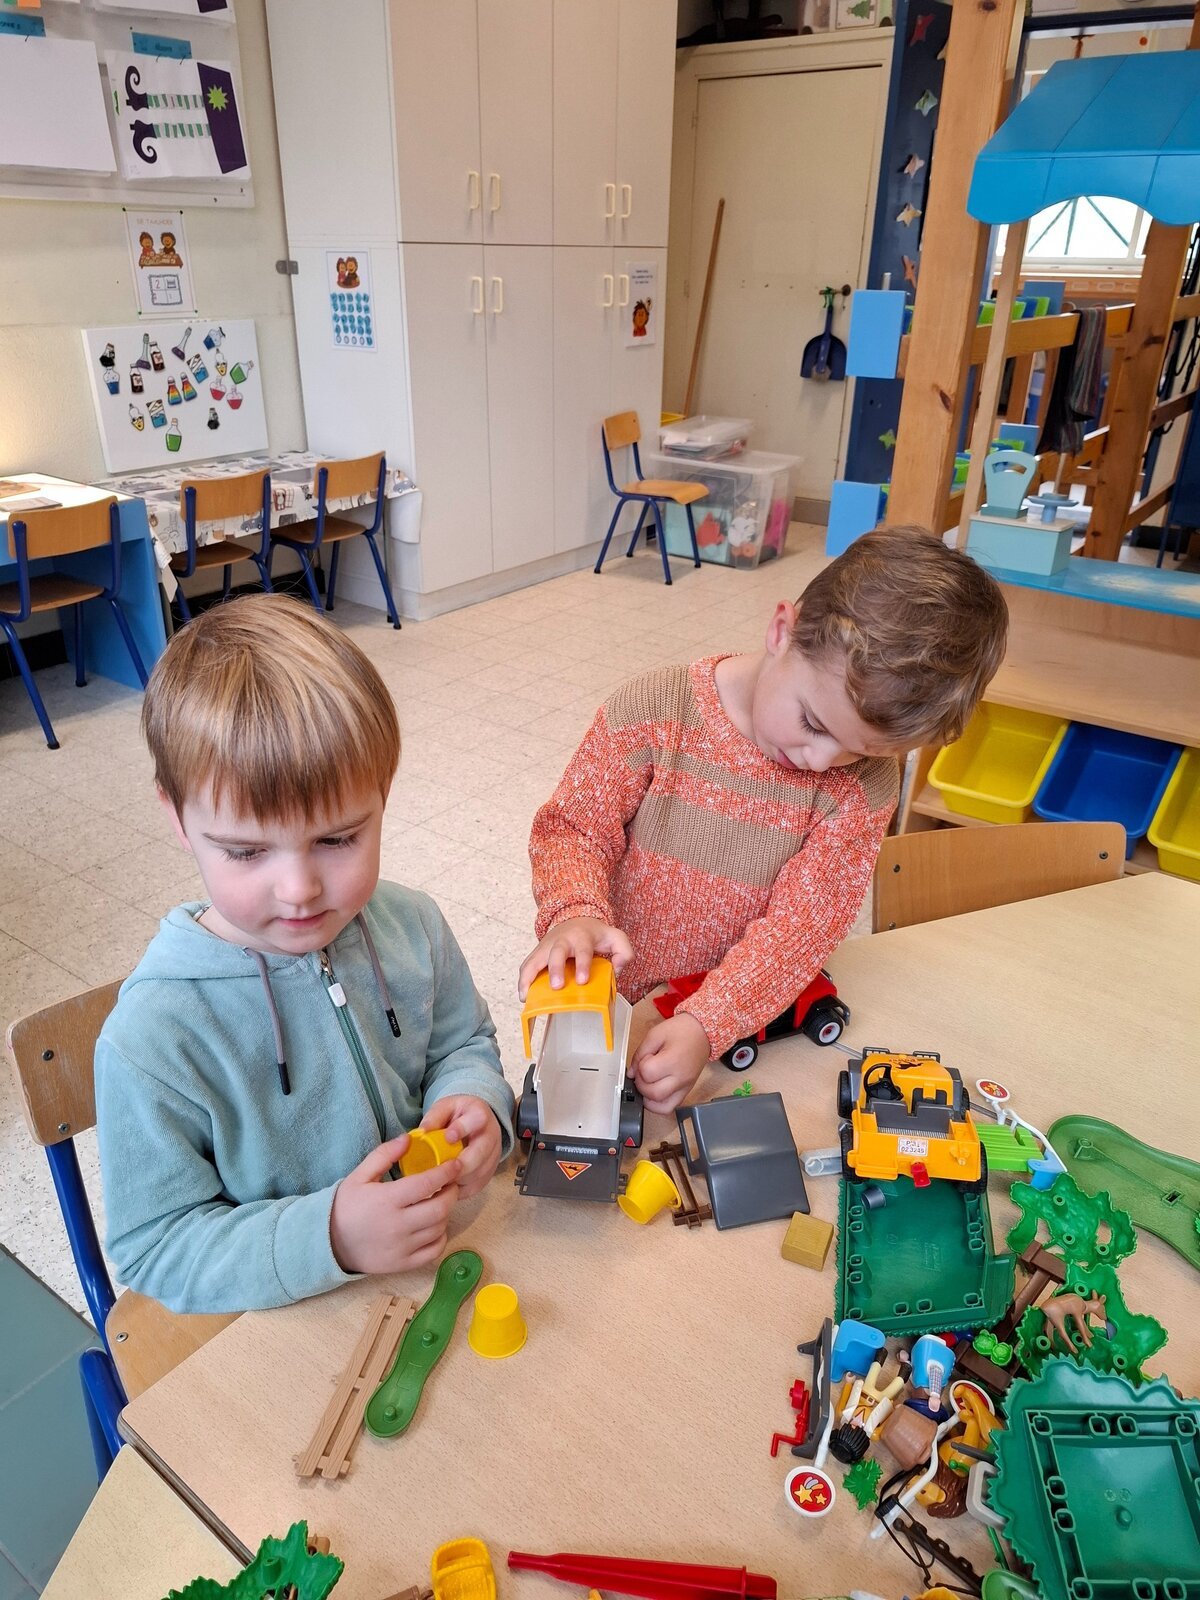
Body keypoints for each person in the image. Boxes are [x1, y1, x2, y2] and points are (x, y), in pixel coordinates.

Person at [96, 595, 514, 1314]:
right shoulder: (152, 1038)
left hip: (437, 1273)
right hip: (283, 1321)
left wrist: (474, 1099)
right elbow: (155, 1245)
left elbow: (463, 1042)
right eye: (246, 851)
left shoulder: (414, 925)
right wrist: (330, 1239)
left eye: (338, 838)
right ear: (177, 818)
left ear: (383, 795)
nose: (299, 890)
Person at [519, 525, 1008, 1114]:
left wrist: (709, 1022)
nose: (821, 760)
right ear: (782, 632)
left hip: (733, 1012)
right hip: (603, 993)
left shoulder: (865, 787)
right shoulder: (653, 710)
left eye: (858, 751)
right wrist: (573, 913)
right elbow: (574, 829)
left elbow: (803, 928)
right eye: (813, 724)